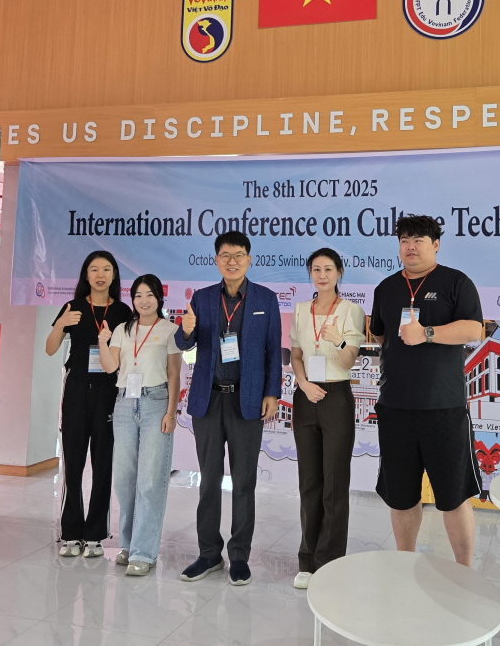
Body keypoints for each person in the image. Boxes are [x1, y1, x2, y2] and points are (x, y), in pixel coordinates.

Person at [368, 215, 485, 566]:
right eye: (404, 240)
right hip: (395, 407)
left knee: (453, 496)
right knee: (401, 496)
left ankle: (465, 570)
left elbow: (474, 329)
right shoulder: (386, 288)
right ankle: (405, 564)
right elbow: (380, 335)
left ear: (435, 245)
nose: (410, 246)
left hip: (443, 408)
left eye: (418, 240)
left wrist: (427, 333)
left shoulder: (456, 281)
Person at [176, 231, 282, 586]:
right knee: (208, 481)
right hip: (208, 401)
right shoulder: (203, 298)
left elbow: (273, 350)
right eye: (225, 255)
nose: (232, 261)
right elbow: (185, 343)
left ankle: (239, 556)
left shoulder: (265, 298)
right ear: (216, 260)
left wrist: (272, 393)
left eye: (238, 255)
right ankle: (209, 554)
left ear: (249, 259)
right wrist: (185, 331)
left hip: (246, 401)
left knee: (243, 482)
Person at [45, 250, 131, 558]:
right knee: (73, 461)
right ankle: (71, 533)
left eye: (106, 269)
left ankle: (95, 534)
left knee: (103, 462)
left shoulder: (122, 311)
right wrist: (60, 324)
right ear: (86, 275)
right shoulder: (73, 307)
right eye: (94, 269)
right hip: (77, 389)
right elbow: (50, 349)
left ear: (114, 275)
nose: (100, 275)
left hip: (109, 390)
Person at [288, 248, 366, 589]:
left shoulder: (351, 310)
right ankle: (307, 561)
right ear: (310, 274)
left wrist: (340, 341)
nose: (322, 275)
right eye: (316, 269)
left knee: (334, 483)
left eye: (328, 269)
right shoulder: (300, 310)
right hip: (306, 395)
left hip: (336, 396)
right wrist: (303, 384)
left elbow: (349, 361)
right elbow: (296, 354)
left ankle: (329, 561)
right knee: (309, 482)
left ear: (339, 273)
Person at [99, 273, 182, 576]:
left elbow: (174, 374)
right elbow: (111, 366)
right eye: (138, 295)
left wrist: (171, 412)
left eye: (149, 295)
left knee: (150, 479)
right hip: (124, 403)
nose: (143, 301)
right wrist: (103, 341)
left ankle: (144, 552)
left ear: (159, 298)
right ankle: (128, 544)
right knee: (124, 477)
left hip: (155, 402)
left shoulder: (170, 330)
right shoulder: (123, 329)